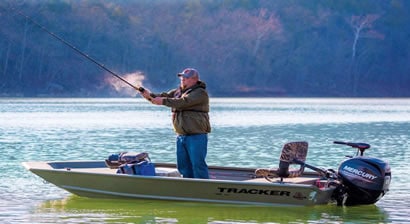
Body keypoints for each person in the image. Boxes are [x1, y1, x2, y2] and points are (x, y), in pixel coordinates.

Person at [140, 68, 211, 179]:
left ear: (194, 79)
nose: (183, 79)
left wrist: (162, 101)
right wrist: (148, 95)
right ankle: (188, 186)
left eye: (186, 78)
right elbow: (161, 97)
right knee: (183, 166)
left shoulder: (200, 93)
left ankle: (204, 188)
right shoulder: (177, 92)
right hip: (181, 136)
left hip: (196, 136)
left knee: (198, 165)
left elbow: (183, 102)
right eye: (182, 77)